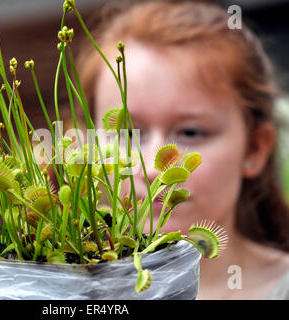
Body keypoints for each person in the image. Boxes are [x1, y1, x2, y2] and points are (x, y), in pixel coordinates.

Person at [75, 0, 289, 299]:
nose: (153, 169)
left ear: (255, 148)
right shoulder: (53, 289)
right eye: (128, 133)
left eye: (191, 132)